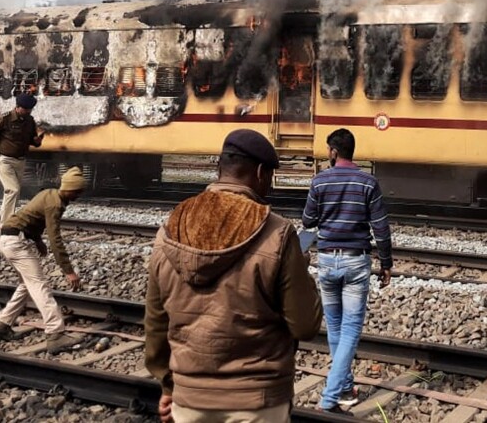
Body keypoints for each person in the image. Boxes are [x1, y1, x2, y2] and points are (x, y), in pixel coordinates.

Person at [145, 129, 322, 423]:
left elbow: (155, 320)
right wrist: (302, 272)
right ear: (262, 173)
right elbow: (305, 326)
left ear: (219, 168)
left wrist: (168, 384)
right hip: (257, 401)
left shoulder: (169, 230)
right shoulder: (278, 234)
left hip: (190, 400)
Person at [302, 128, 393, 414]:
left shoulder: (319, 181)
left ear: (333, 151)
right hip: (356, 262)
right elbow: (380, 227)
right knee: (350, 328)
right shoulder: (368, 182)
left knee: (335, 327)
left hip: (328, 261)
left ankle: (344, 389)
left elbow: (308, 221)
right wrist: (386, 263)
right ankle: (330, 398)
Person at [0, 166, 86, 354]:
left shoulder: (50, 194)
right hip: (15, 242)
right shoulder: (55, 204)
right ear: (71, 189)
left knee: (27, 284)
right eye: (78, 192)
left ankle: (1, 325)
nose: (79, 196)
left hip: (9, 238)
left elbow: (30, 217)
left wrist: (38, 240)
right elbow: (55, 239)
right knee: (40, 285)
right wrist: (68, 271)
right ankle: (56, 334)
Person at [0, 93, 45, 229]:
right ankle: (6, 226)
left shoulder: (30, 121)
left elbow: (32, 141)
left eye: (30, 109)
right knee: (12, 190)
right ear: (18, 107)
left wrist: (38, 141)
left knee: (14, 194)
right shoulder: (4, 119)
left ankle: (6, 223)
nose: (29, 112)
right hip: (4, 160)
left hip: (20, 161)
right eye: (26, 109)